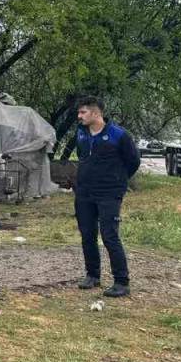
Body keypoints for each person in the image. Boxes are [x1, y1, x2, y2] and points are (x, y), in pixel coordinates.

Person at [73, 96, 139, 298]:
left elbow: (133, 161)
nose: (79, 116)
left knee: (109, 235)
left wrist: (117, 181)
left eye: (83, 112)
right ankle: (92, 275)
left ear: (96, 113)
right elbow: (82, 156)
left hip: (109, 193)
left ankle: (121, 281)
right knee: (87, 234)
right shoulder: (82, 134)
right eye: (79, 112)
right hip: (84, 192)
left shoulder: (118, 135)